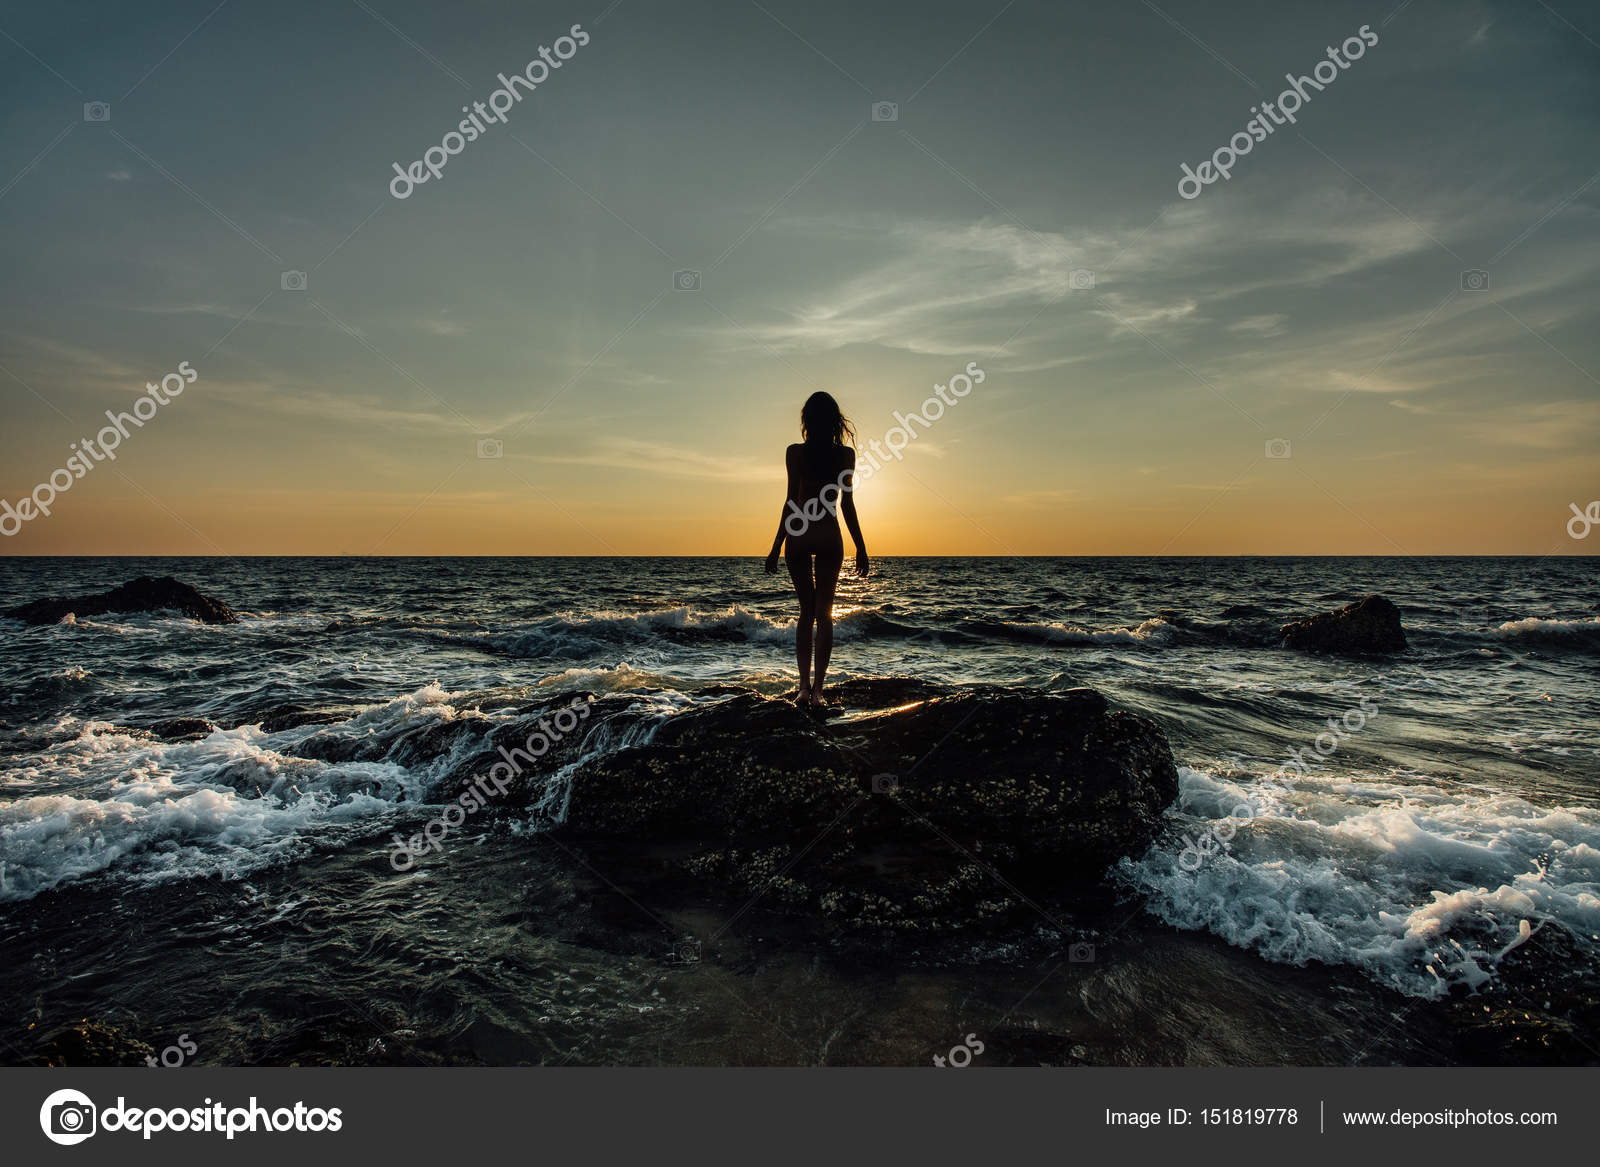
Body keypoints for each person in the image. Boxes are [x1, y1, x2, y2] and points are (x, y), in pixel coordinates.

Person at [765, 391, 869, 708]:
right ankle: (820, 690)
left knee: (806, 612)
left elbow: (790, 500)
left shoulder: (794, 453)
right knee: (824, 615)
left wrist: (775, 546)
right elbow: (847, 504)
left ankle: (803, 688)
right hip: (828, 533)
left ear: (806, 420)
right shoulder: (845, 456)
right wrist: (861, 548)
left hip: (798, 533)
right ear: (835, 420)